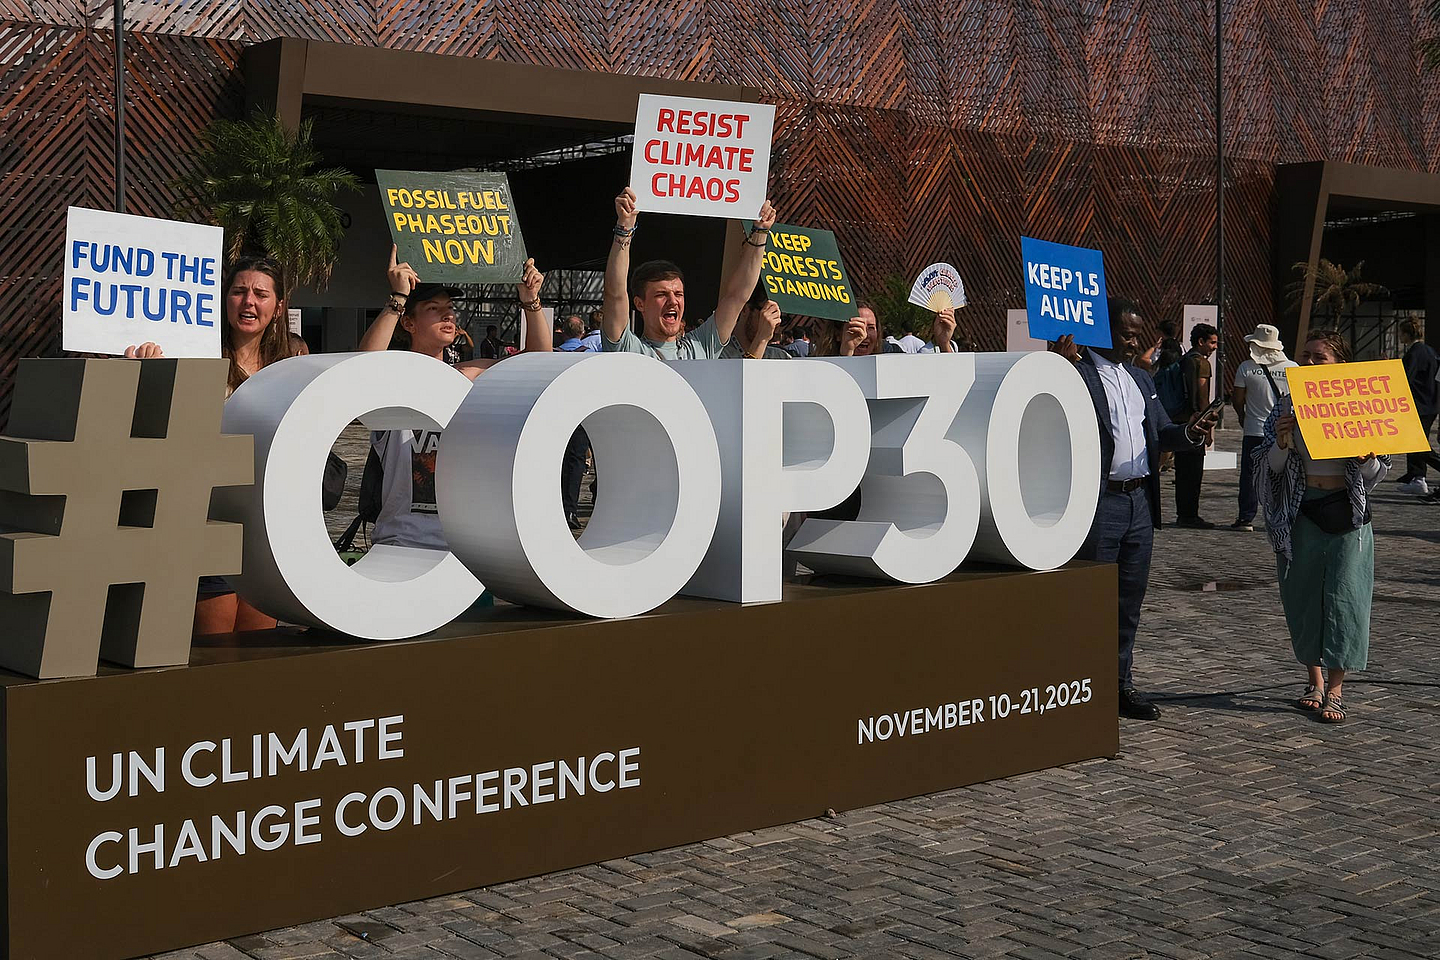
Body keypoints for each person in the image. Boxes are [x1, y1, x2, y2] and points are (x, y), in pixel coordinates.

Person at [1052, 299, 1216, 720]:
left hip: (1139, 502)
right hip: (1100, 503)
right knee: (1092, 600)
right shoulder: (1077, 373)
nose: (1134, 342)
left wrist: (1191, 432)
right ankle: (1081, 686)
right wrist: (1060, 365)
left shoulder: (1140, 378)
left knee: (1128, 601)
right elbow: (1051, 407)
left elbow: (1162, 431)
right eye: (1126, 334)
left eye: (1137, 334)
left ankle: (1120, 685)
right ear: (1102, 330)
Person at [126, 255, 304, 634]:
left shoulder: (291, 369)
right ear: (223, 299)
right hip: (207, 517)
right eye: (239, 291)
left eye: (260, 294)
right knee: (215, 645)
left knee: (260, 648)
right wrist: (142, 374)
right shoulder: (194, 358)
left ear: (278, 307)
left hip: (267, 526)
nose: (248, 302)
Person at [358, 247, 551, 551]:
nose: (448, 315)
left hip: (465, 545)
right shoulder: (394, 380)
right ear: (409, 323)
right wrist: (397, 298)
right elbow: (362, 368)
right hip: (403, 541)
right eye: (433, 308)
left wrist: (531, 301)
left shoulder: (468, 375)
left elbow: (538, 361)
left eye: (449, 308)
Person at [1255, 330, 1388, 724]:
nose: (1310, 363)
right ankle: (1313, 682)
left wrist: (1365, 458)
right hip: (1300, 511)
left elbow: (1377, 474)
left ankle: (1336, 690)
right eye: (1306, 355)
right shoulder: (1286, 403)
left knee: (1346, 598)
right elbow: (1270, 468)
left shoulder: (1361, 405)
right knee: (1304, 595)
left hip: (1347, 513)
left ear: (1340, 364)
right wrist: (1281, 443)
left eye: (1320, 357)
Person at [602, 187, 776, 358]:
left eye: (678, 294)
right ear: (640, 304)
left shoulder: (701, 346)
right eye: (661, 294)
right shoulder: (629, 350)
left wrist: (760, 232)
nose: (673, 301)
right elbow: (615, 293)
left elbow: (737, 296)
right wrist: (624, 228)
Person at [1229, 324, 1297, 531]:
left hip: (1255, 429)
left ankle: (1246, 517)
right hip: (1284, 431)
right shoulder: (1293, 367)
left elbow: (1237, 399)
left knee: (1250, 475)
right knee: (1285, 473)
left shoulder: (1246, 367)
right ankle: (1285, 514)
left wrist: (1242, 416)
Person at [1173, 322, 1218, 528]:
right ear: (1201, 342)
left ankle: (1183, 513)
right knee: (1193, 472)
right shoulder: (1201, 363)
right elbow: (1203, 397)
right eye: (1212, 342)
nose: (1214, 347)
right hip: (1195, 423)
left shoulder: (1183, 360)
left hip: (1179, 421)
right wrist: (1208, 429)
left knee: (1182, 471)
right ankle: (1190, 515)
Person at [1393, 320, 1437, 494]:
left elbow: (1404, 377)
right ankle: (1416, 476)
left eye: (1400, 333)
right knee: (1415, 442)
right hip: (1431, 403)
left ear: (1406, 334)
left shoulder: (1414, 353)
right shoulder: (1429, 351)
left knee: (1417, 444)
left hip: (1419, 404)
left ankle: (1419, 477)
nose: (1399, 336)